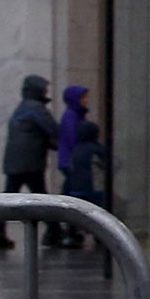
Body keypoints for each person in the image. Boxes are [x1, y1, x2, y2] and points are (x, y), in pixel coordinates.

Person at [0, 75, 59, 250]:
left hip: (14, 163)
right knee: (42, 198)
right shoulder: (37, 109)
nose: (46, 92)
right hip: (31, 164)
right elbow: (52, 130)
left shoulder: (21, 108)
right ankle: (55, 231)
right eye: (44, 89)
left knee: (8, 198)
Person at [50, 85, 92, 248]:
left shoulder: (77, 115)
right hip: (72, 162)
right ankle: (68, 231)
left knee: (69, 196)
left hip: (73, 161)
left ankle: (65, 231)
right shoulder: (71, 115)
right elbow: (74, 138)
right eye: (83, 98)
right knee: (71, 198)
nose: (86, 101)